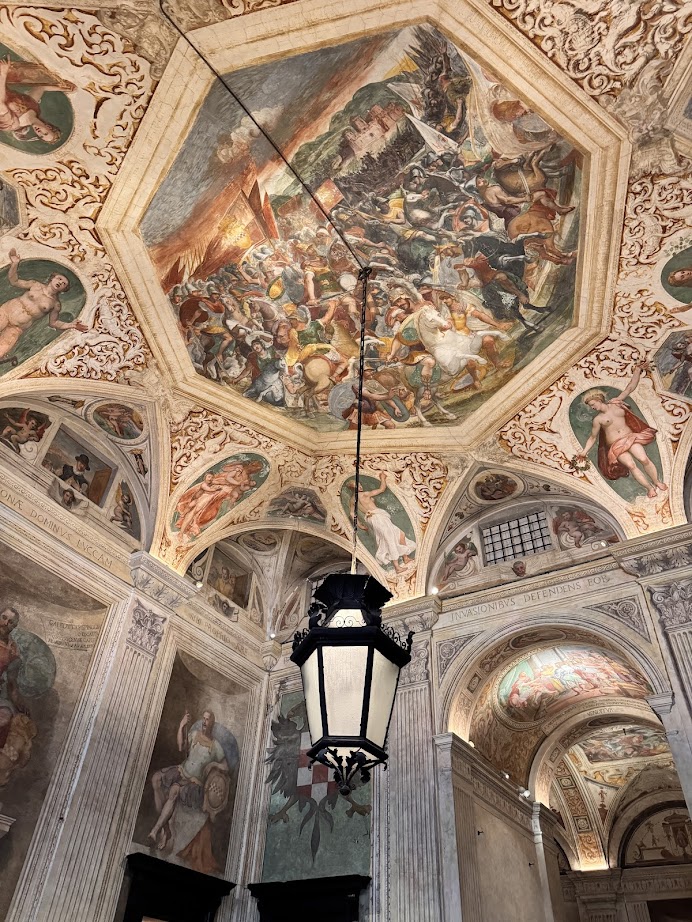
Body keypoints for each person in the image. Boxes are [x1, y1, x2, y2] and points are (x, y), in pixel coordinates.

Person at [576, 362, 667, 499]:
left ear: (598, 400)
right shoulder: (598, 420)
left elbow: (630, 388)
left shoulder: (616, 403)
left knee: (644, 459)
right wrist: (583, 452)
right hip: (615, 446)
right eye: (590, 406)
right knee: (631, 465)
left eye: (593, 404)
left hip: (631, 437)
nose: (592, 407)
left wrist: (638, 370)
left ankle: (657, 482)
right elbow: (593, 437)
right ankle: (649, 488)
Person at [148, 709, 228, 850]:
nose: (204, 722)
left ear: (212, 723)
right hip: (181, 770)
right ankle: (165, 828)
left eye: (207, 719)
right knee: (156, 779)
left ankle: (155, 830)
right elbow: (181, 747)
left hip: (194, 781)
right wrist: (181, 726)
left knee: (174, 791)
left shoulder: (215, 746)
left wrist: (214, 764)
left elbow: (225, 766)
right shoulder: (194, 734)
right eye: (203, 718)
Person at [0, 248, 87, 361]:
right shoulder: (35, 285)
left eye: (64, 284)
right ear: (52, 278)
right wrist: (15, 264)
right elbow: (14, 281)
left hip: (17, 328)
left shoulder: (55, 304)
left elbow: (54, 323)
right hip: (6, 313)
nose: (60, 282)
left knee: (1, 351)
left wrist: (72, 325)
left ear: (64, 289)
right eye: (59, 279)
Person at [349, 471, 416, 574]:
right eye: (357, 486)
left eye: (360, 485)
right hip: (377, 518)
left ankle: (405, 558)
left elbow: (352, 513)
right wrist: (383, 477)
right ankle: (397, 567)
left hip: (375, 518)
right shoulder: (364, 495)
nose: (360, 487)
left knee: (400, 534)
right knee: (390, 539)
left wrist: (359, 524)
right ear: (354, 488)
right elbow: (382, 489)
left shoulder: (352, 500)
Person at [0, 59, 65, 144]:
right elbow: (41, 88)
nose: (40, 132)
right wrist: (63, 88)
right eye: (45, 133)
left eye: (41, 136)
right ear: (48, 126)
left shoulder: (13, 124)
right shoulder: (34, 109)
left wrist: (3, 73)